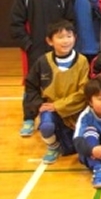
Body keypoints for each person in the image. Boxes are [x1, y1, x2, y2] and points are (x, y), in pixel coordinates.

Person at [10, 0, 75, 137]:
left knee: (57, 82)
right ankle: (29, 117)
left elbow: (70, 20)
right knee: (33, 83)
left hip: (59, 50)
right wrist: (28, 44)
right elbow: (16, 24)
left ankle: (55, 115)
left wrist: (65, 42)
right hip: (35, 49)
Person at [23, 20, 89, 164]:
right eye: (60, 37)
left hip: (75, 110)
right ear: (50, 41)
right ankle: (53, 147)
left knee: (79, 146)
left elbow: (83, 92)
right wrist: (38, 104)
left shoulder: (83, 61)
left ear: (75, 38)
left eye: (69, 36)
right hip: (51, 109)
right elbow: (31, 86)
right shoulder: (42, 62)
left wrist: (58, 105)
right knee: (46, 126)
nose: (65, 41)